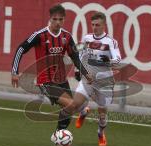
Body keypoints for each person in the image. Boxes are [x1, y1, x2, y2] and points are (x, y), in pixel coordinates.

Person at [11, 4, 91, 132]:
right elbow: (21, 49)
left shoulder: (67, 36)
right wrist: (14, 72)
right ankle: (65, 128)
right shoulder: (40, 35)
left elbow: (75, 57)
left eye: (61, 19)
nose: (58, 22)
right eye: (55, 19)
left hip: (61, 80)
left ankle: (58, 134)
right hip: (45, 80)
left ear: (64, 20)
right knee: (71, 104)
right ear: (50, 19)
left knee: (70, 108)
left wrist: (86, 74)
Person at [73, 12, 121, 146]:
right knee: (75, 103)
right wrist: (78, 69)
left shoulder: (111, 41)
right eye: (93, 25)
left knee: (102, 114)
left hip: (105, 81)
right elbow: (79, 53)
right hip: (88, 77)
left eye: (97, 25)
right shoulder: (86, 38)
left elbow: (118, 58)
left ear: (104, 25)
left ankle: (100, 133)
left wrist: (109, 60)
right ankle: (83, 111)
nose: (95, 27)